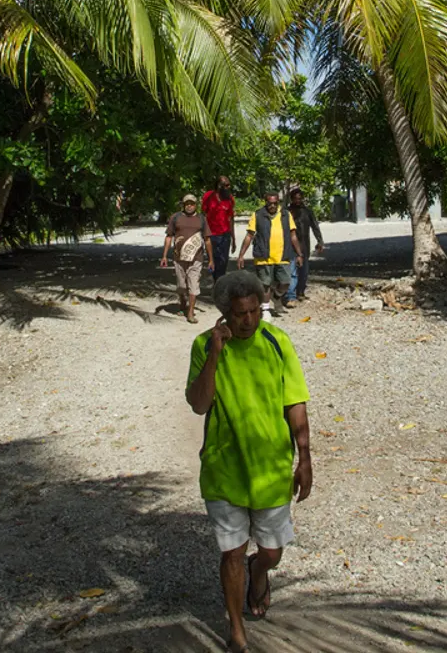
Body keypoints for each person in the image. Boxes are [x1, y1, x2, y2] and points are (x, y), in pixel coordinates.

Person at [185, 271, 312, 653]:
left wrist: (304, 457)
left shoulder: (277, 341)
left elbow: (295, 402)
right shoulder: (205, 345)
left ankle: (261, 572)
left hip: (272, 466)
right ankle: (236, 629)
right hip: (225, 470)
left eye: (255, 311)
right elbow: (199, 404)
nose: (249, 320)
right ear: (225, 313)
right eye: (240, 314)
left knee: (271, 552)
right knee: (231, 554)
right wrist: (215, 356)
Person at [236, 190, 302, 318]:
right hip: (263, 256)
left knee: (285, 282)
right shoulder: (258, 215)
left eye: (275, 203)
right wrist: (241, 255)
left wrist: (299, 254)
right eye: (269, 203)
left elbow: (293, 235)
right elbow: (249, 235)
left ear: (278, 202)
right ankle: (265, 309)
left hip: (282, 255)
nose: (272, 206)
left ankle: (276, 296)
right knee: (265, 284)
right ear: (265, 202)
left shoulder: (285, 215)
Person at [161, 194, 213, 323]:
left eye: (192, 203)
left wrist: (211, 259)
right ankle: (183, 301)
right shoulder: (176, 218)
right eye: (187, 203)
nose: (189, 205)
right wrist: (164, 256)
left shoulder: (201, 219)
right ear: (183, 205)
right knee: (181, 286)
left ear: (196, 205)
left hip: (197, 258)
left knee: (193, 285)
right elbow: (169, 237)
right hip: (179, 259)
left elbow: (207, 240)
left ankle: (190, 313)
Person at [283, 188, 325, 308]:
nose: (298, 201)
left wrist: (320, 241)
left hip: (304, 245)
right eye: (295, 198)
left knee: (304, 271)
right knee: (292, 271)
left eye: (299, 198)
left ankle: (300, 292)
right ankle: (290, 295)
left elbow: (315, 226)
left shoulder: (307, 212)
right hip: (290, 245)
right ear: (291, 199)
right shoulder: (287, 212)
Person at [202, 176, 236, 281]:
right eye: (225, 185)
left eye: (229, 185)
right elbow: (203, 215)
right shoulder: (208, 196)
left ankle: (219, 283)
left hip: (225, 235)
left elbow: (231, 219)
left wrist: (233, 239)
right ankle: (216, 281)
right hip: (212, 235)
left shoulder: (230, 198)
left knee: (223, 261)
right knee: (213, 261)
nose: (228, 187)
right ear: (218, 185)